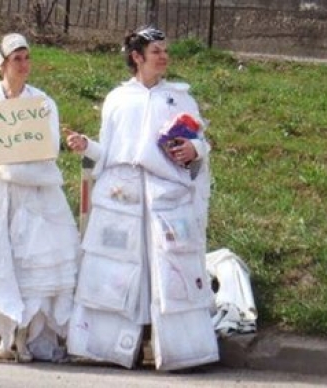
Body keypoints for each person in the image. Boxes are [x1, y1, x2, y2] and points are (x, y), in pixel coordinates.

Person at [63, 26, 218, 371]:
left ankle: (177, 348)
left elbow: (200, 148)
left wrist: (194, 148)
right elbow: (107, 153)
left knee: (171, 268)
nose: (164, 57)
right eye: (156, 52)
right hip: (122, 196)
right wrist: (87, 146)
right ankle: (106, 346)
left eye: (165, 50)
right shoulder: (117, 100)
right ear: (137, 58)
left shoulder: (180, 99)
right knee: (116, 269)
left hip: (167, 196)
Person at [0, 33, 80, 365]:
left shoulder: (42, 103)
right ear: (2, 65)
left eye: (27, 58)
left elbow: (47, 148)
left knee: (29, 263)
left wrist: (17, 166)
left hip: (32, 195)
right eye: (17, 59)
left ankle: (20, 339)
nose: (24, 65)